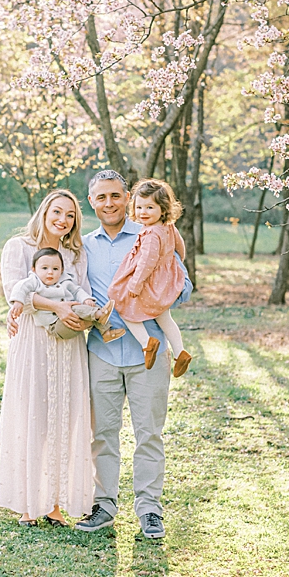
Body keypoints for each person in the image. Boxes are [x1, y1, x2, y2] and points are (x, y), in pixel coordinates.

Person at [74, 169, 192, 540]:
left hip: (150, 353)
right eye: (100, 197)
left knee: (149, 434)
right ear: (91, 202)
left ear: (127, 198)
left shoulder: (152, 232)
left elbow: (184, 285)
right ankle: (104, 504)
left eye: (115, 195)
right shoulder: (82, 245)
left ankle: (149, 509)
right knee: (103, 434)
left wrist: (157, 294)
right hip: (102, 351)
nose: (108, 203)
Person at [0, 189, 95, 527]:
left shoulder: (75, 255)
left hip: (67, 344)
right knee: (32, 415)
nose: (62, 220)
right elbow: (15, 291)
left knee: (61, 418)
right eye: (57, 211)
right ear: (44, 211)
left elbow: (83, 293)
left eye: (70, 215)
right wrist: (55, 306)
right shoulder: (18, 247)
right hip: (32, 342)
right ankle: (27, 503)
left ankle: (53, 503)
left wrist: (81, 315)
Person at [107, 178, 193, 375]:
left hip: (149, 280)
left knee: (120, 301)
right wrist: (172, 262)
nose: (143, 212)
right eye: (139, 207)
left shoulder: (151, 234)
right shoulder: (169, 226)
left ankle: (147, 343)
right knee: (164, 316)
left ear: (162, 209)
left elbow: (147, 261)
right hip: (165, 279)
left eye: (149, 208)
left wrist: (135, 285)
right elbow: (180, 247)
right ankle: (180, 352)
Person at [8, 247, 125, 342]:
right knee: (75, 308)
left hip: (74, 324)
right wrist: (18, 302)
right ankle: (99, 314)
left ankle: (106, 332)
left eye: (55, 268)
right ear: (34, 269)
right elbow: (20, 287)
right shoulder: (34, 281)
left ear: (62, 270)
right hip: (55, 326)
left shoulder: (65, 281)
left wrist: (86, 299)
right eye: (44, 268)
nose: (50, 272)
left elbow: (77, 290)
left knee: (89, 307)